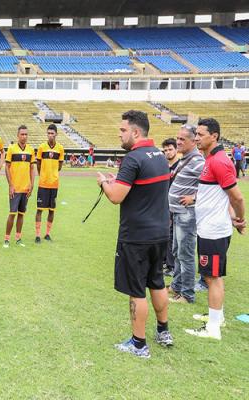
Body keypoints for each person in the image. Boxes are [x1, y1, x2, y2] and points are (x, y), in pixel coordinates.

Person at [97, 110, 173, 358]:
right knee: (157, 282)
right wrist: (118, 180)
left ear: (136, 132)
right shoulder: (160, 155)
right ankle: (163, 331)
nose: (120, 134)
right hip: (160, 232)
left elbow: (116, 197)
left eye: (123, 130)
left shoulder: (132, 158)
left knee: (137, 290)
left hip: (137, 236)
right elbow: (141, 186)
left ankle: (138, 344)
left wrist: (104, 183)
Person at [186, 118, 245, 340]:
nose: (197, 138)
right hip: (209, 227)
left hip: (213, 231)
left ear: (215, 136)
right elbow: (220, 197)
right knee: (213, 276)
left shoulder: (219, 161)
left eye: (201, 134)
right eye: (197, 134)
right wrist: (233, 217)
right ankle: (216, 317)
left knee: (212, 277)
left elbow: (236, 197)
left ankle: (213, 328)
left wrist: (240, 218)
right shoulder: (211, 159)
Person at [167, 126, 204, 304]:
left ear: (193, 141)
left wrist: (194, 197)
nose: (178, 142)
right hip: (178, 213)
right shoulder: (186, 159)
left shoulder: (198, 161)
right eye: (177, 138)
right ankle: (176, 286)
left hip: (187, 214)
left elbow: (214, 185)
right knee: (177, 251)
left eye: (182, 139)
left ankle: (187, 295)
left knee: (186, 254)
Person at [4, 125, 36, 248]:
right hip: (15, 188)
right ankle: (6, 239)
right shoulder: (12, 149)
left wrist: (32, 185)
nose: (24, 136)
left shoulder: (31, 150)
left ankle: (18, 238)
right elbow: (7, 167)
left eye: (26, 134)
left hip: (25, 188)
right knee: (12, 213)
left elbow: (32, 168)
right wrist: (10, 185)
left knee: (21, 214)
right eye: (22, 134)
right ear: (18, 136)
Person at [35, 124, 64, 243]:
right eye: (49, 133)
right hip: (43, 184)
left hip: (54, 184)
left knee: (52, 210)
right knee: (39, 209)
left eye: (52, 133)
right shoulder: (42, 147)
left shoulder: (60, 148)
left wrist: (52, 174)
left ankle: (47, 233)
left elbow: (60, 166)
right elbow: (38, 164)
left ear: (56, 134)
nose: (50, 135)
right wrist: (43, 174)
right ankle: (37, 235)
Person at [162, 137, 178, 277]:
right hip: (164, 206)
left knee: (172, 236)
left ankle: (172, 266)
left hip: (175, 207)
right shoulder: (164, 167)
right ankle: (165, 262)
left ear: (176, 150)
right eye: (165, 150)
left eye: (170, 149)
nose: (167, 152)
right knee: (165, 235)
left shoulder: (180, 166)